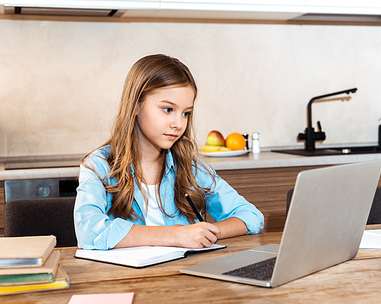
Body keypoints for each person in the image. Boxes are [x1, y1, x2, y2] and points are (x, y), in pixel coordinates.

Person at [74, 54, 264, 250]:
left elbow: (251, 216)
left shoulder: (189, 166)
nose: (178, 124)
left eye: (185, 113)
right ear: (136, 105)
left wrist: (203, 234)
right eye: (167, 109)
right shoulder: (98, 164)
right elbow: (89, 232)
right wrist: (175, 235)